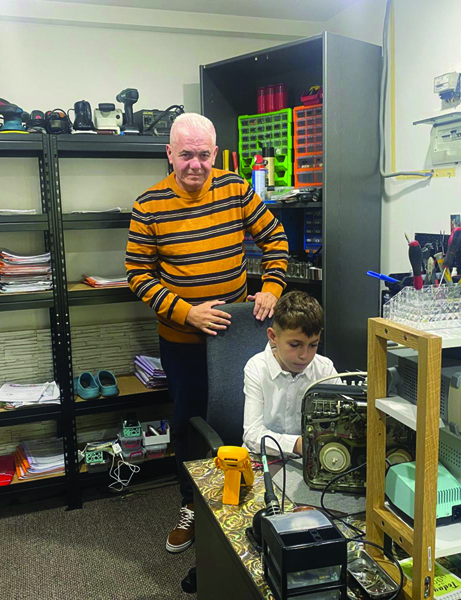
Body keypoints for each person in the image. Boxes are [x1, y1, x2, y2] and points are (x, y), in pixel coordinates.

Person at [125, 113, 288, 554]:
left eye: (203, 155)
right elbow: (138, 275)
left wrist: (271, 288)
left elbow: (275, 241)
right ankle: (192, 505)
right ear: (169, 154)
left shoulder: (236, 189)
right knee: (189, 425)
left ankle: (243, 498)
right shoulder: (149, 204)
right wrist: (186, 313)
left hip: (234, 339)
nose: (195, 164)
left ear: (214, 153)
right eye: (185, 155)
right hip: (182, 340)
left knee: (242, 418)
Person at [243, 291, 338, 457]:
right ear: (273, 336)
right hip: (262, 457)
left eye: (313, 345)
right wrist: (298, 445)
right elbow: (252, 434)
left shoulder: (325, 369)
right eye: (295, 345)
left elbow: (342, 422)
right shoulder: (257, 368)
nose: (305, 355)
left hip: (309, 458)